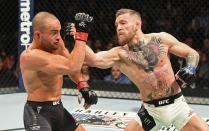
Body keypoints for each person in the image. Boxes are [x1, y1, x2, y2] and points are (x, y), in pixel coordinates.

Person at [71, 9, 209, 130]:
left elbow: (192, 54)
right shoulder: (120, 54)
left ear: (137, 24)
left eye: (123, 23)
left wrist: (190, 67)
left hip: (178, 107)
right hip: (151, 112)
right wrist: (79, 36)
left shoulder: (161, 39)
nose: (118, 28)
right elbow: (93, 59)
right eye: (116, 25)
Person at [20, 12, 98, 131]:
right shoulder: (30, 56)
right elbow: (71, 66)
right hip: (38, 113)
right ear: (38, 35)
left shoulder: (56, 44)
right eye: (54, 33)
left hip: (58, 110)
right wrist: (81, 35)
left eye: (59, 31)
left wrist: (83, 86)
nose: (58, 37)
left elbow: (70, 64)